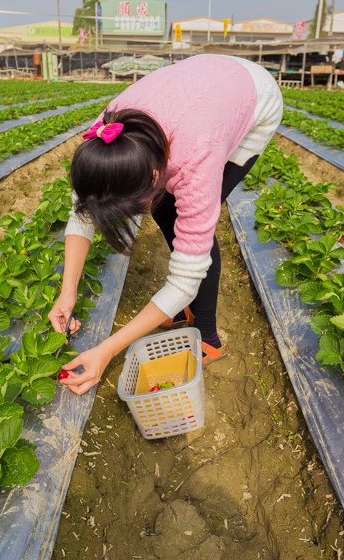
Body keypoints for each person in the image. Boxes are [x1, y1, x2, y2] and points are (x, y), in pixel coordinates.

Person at [48, 54, 284, 395]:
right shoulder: (104, 143)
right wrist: (67, 291)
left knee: (190, 225)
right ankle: (183, 312)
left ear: (157, 175)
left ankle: (207, 334)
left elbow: (187, 275)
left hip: (253, 94)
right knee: (166, 211)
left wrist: (106, 350)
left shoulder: (196, 158)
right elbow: (83, 213)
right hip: (198, 86)